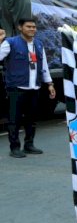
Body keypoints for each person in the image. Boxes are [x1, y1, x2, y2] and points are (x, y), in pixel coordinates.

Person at [0, 19, 56, 158]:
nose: (32, 29)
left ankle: (29, 144)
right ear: (20, 28)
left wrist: (50, 84)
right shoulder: (11, 43)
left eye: (34, 27)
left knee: (32, 119)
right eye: (29, 26)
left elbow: (44, 67)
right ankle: (15, 147)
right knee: (15, 119)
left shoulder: (38, 44)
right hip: (16, 88)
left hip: (34, 87)